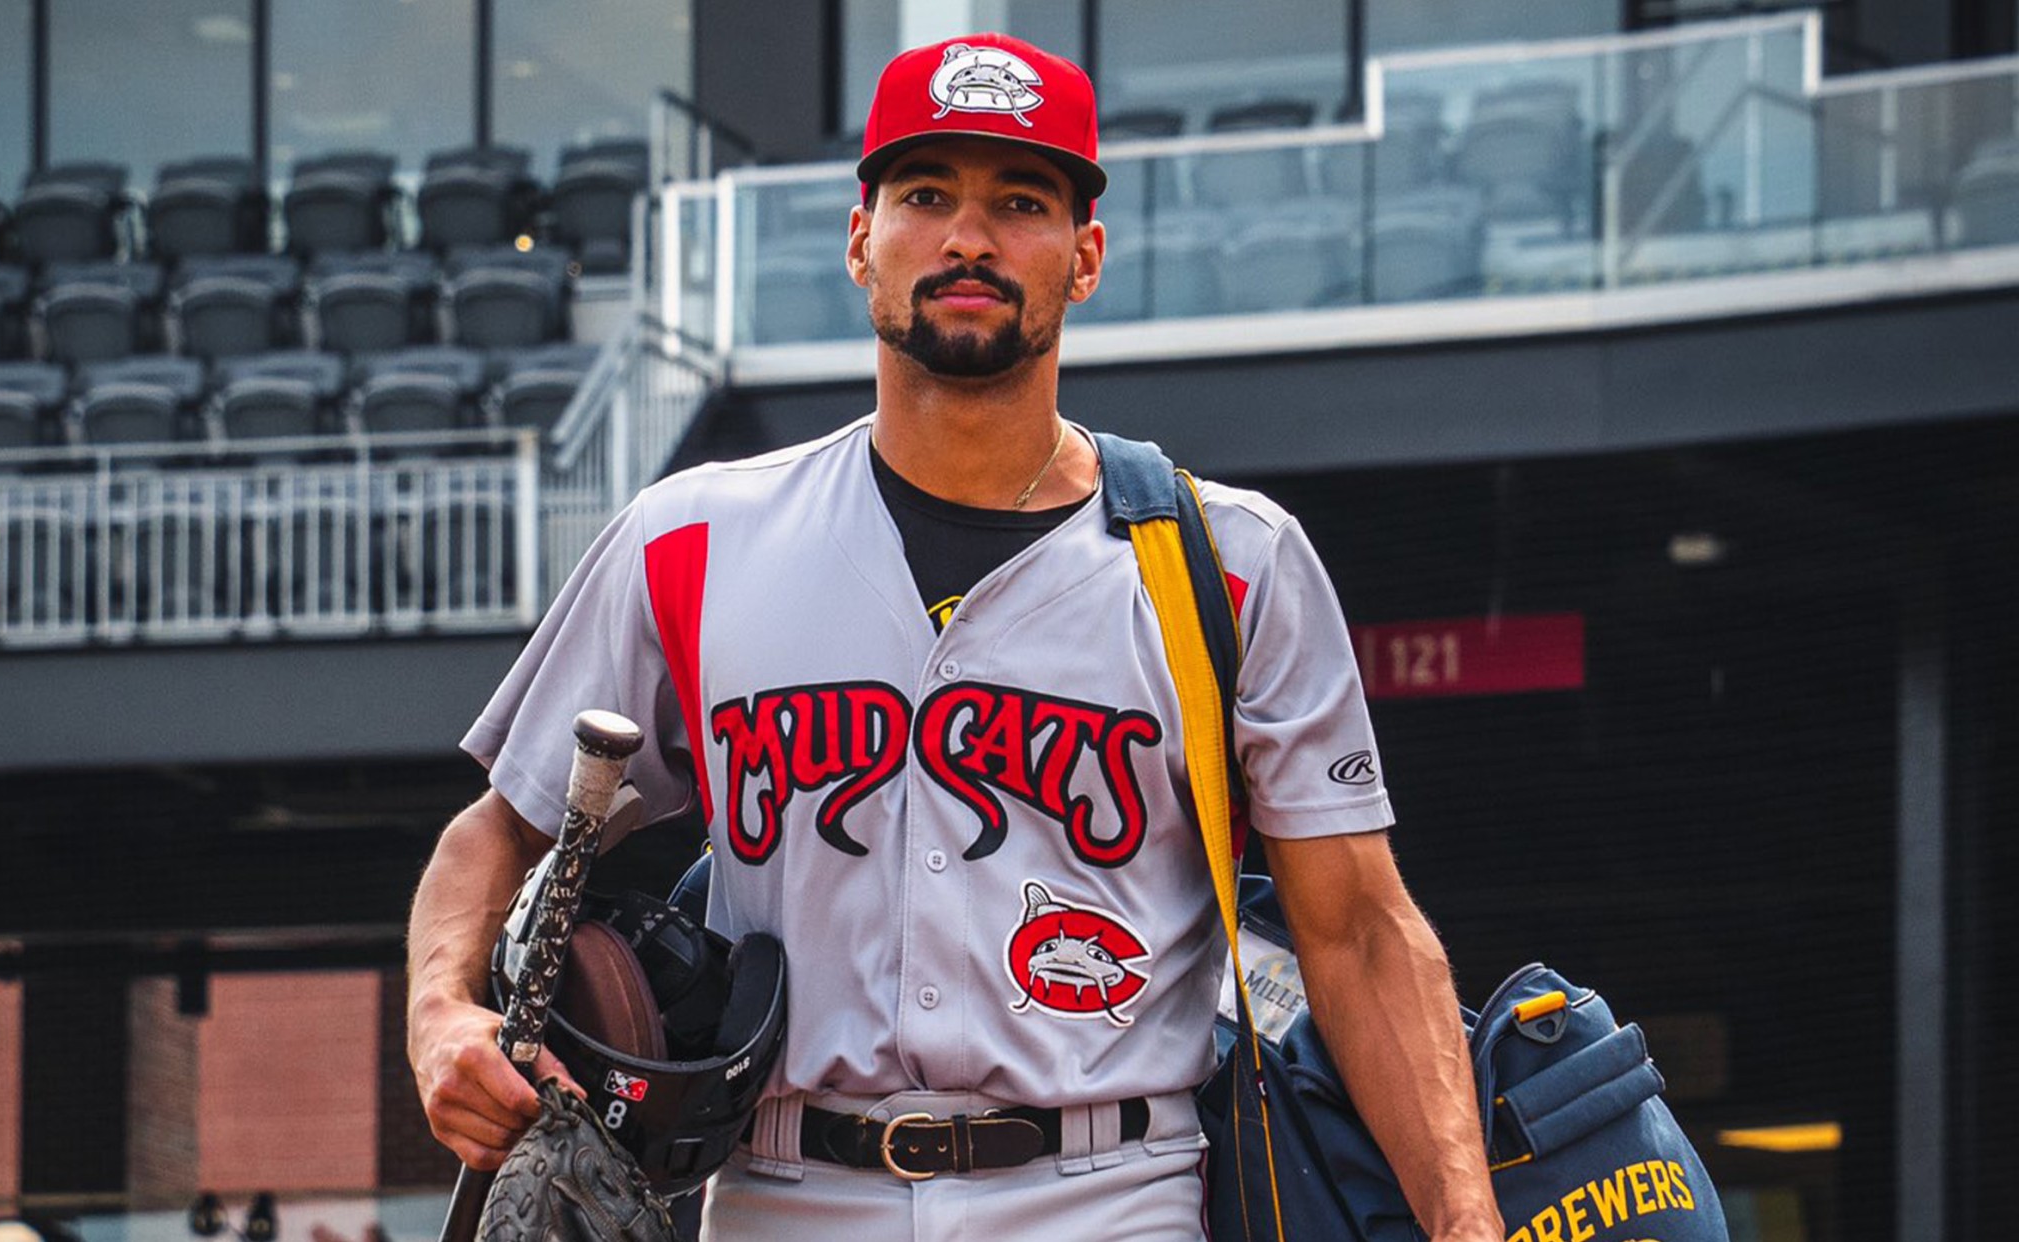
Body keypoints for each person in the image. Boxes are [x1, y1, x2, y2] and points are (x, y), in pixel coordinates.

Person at [407, 30, 1504, 1241]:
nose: (968, 238)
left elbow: (1360, 932)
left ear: (1085, 257)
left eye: (1020, 202)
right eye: (926, 195)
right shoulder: (692, 541)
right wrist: (440, 1014)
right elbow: (500, 828)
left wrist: (1466, 1224)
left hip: (1108, 1190)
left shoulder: (1231, 563)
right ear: (860, 240)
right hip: (785, 1193)